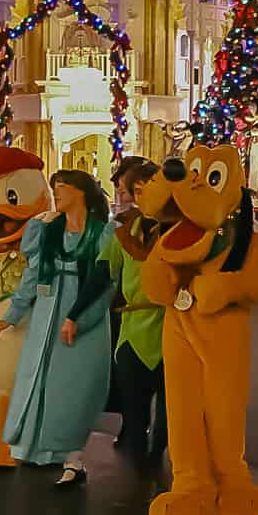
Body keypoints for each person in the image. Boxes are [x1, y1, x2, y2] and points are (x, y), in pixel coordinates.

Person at [0, 170, 115, 486]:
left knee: (73, 389)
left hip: (80, 317)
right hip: (46, 314)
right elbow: (33, 275)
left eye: (62, 188)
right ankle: (42, 450)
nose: (55, 194)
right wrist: (14, 312)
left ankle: (73, 459)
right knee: (40, 380)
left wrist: (81, 320)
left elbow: (104, 287)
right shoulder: (47, 230)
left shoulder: (103, 234)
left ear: (81, 192)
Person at [99, 160, 169, 471]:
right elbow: (102, 274)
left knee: (171, 404)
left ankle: (160, 449)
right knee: (134, 400)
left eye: (139, 190)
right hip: (132, 328)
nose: (133, 197)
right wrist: (73, 312)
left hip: (173, 328)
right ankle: (137, 447)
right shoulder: (125, 231)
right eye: (132, 191)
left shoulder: (183, 230)